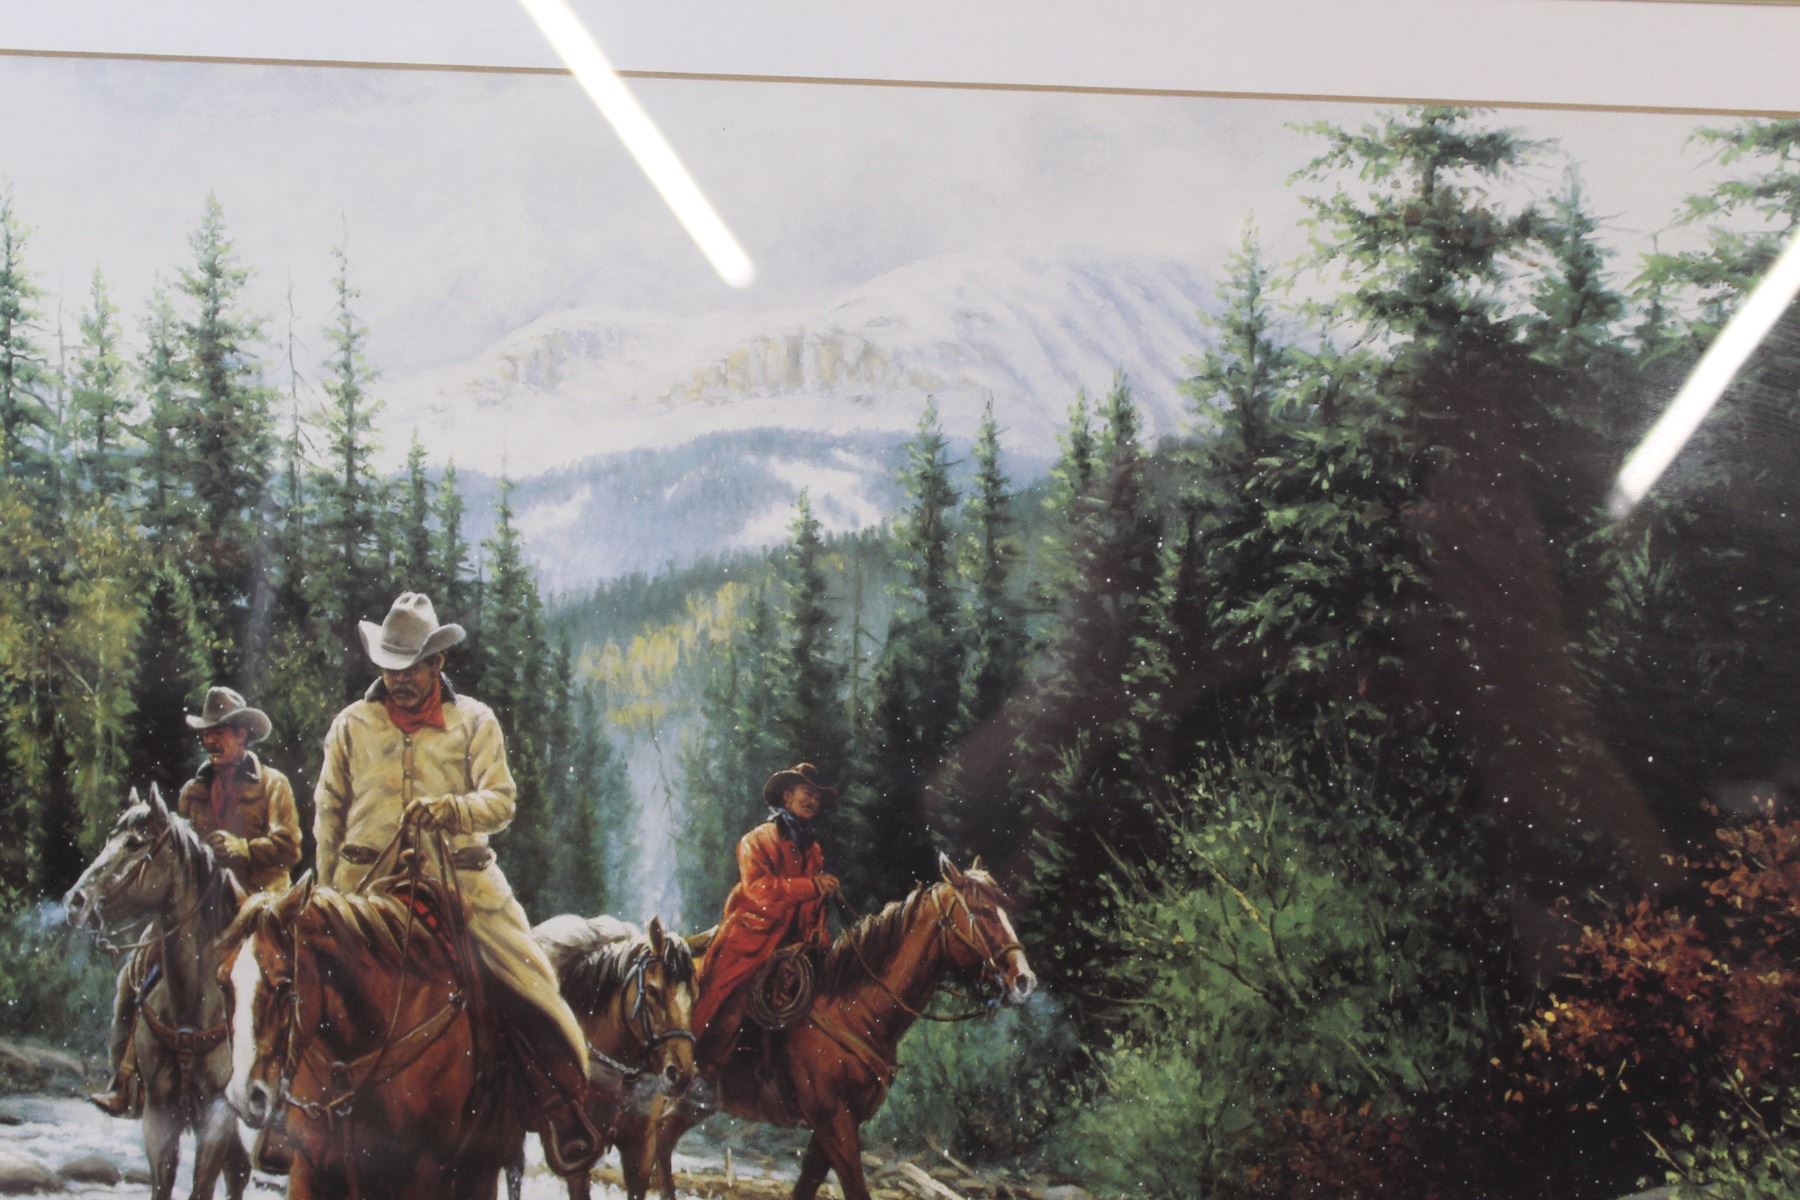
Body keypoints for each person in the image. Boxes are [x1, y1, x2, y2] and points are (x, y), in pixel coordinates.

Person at [313, 591, 601, 1175]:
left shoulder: (475, 720)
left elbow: (502, 800)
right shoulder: (351, 725)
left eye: (410, 668)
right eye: (389, 668)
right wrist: (327, 891)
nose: (398, 680)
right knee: (306, 983)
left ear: (437, 663)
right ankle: (292, 1119)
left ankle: (561, 1106)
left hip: (463, 885)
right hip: (364, 885)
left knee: (532, 979)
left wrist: (453, 809)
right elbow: (328, 812)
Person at [90, 686, 300, 1117]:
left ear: (243, 735)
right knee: (135, 972)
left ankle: (291, 1091)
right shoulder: (192, 792)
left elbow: (290, 846)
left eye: (219, 732)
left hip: (258, 906)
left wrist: (243, 850)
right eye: (206, 733)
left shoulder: (273, 785)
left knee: (284, 983)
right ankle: (125, 1079)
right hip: (203, 909)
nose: (210, 741)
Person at [690, 763, 840, 1070]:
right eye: (807, 793)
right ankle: (699, 1065)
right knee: (726, 1002)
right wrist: (811, 886)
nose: (813, 801)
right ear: (787, 797)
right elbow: (760, 890)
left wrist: (817, 935)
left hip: (794, 945)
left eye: (817, 797)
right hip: (752, 939)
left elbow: (814, 907)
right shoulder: (756, 840)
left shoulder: (813, 850)